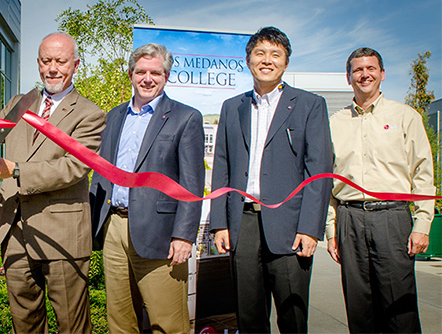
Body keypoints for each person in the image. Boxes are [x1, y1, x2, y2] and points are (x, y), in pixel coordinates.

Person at [0, 32, 106, 333]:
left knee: (73, 327)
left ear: (76, 64)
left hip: (62, 237)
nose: (52, 68)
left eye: (60, 61)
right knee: (25, 324)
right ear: (38, 62)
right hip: (14, 233)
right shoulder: (22, 102)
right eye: (45, 61)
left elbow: (74, 167)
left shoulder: (90, 114)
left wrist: (17, 170)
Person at [209, 26, 333, 333]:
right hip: (243, 223)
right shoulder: (232, 107)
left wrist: (310, 228)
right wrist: (219, 223)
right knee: (249, 316)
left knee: (292, 317)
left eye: (275, 54)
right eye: (260, 53)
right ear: (248, 59)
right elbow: (221, 166)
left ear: (286, 63)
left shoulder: (309, 105)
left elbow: (319, 172)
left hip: (290, 227)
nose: (267, 60)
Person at [90, 43, 204, 333]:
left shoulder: (185, 117)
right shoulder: (114, 117)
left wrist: (184, 235)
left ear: (166, 76)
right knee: (120, 321)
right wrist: (96, 225)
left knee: (167, 324)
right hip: (114, 228)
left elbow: (192, 183)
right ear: (130, 74)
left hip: (161, 235)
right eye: (141, 71)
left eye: (156, 72)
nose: (148, 78)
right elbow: (101, 173)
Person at [326, 47, 433, 333]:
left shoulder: (406, 116)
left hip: (392, 219)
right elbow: (328, 185)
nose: (365, 74)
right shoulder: (334, 124)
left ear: (382, 74)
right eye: (358, 69)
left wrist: (423, 223)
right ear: (348, 77)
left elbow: (423, 174)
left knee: (399, 308)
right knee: (359, 310)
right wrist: (332, 230)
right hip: (349, 221)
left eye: (371, 68)